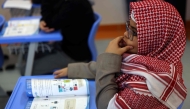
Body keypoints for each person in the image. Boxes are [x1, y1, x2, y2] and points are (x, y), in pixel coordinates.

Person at [53, 0, 187, 108]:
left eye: (134, 32)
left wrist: (109, 57)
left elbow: (106, 106)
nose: (125, 34)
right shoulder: (149, 58)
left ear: (156, 39)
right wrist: (74, 70)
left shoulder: (148, 87)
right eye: (128, 27)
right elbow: (113, 68)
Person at [21, 0, 95, 75]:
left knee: (25, 69)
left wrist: (45, 19)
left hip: (74, 55)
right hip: (67, 46)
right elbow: (53, 11)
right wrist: (43, 20)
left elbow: (50, 23)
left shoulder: (74, 3)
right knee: (27, 56)